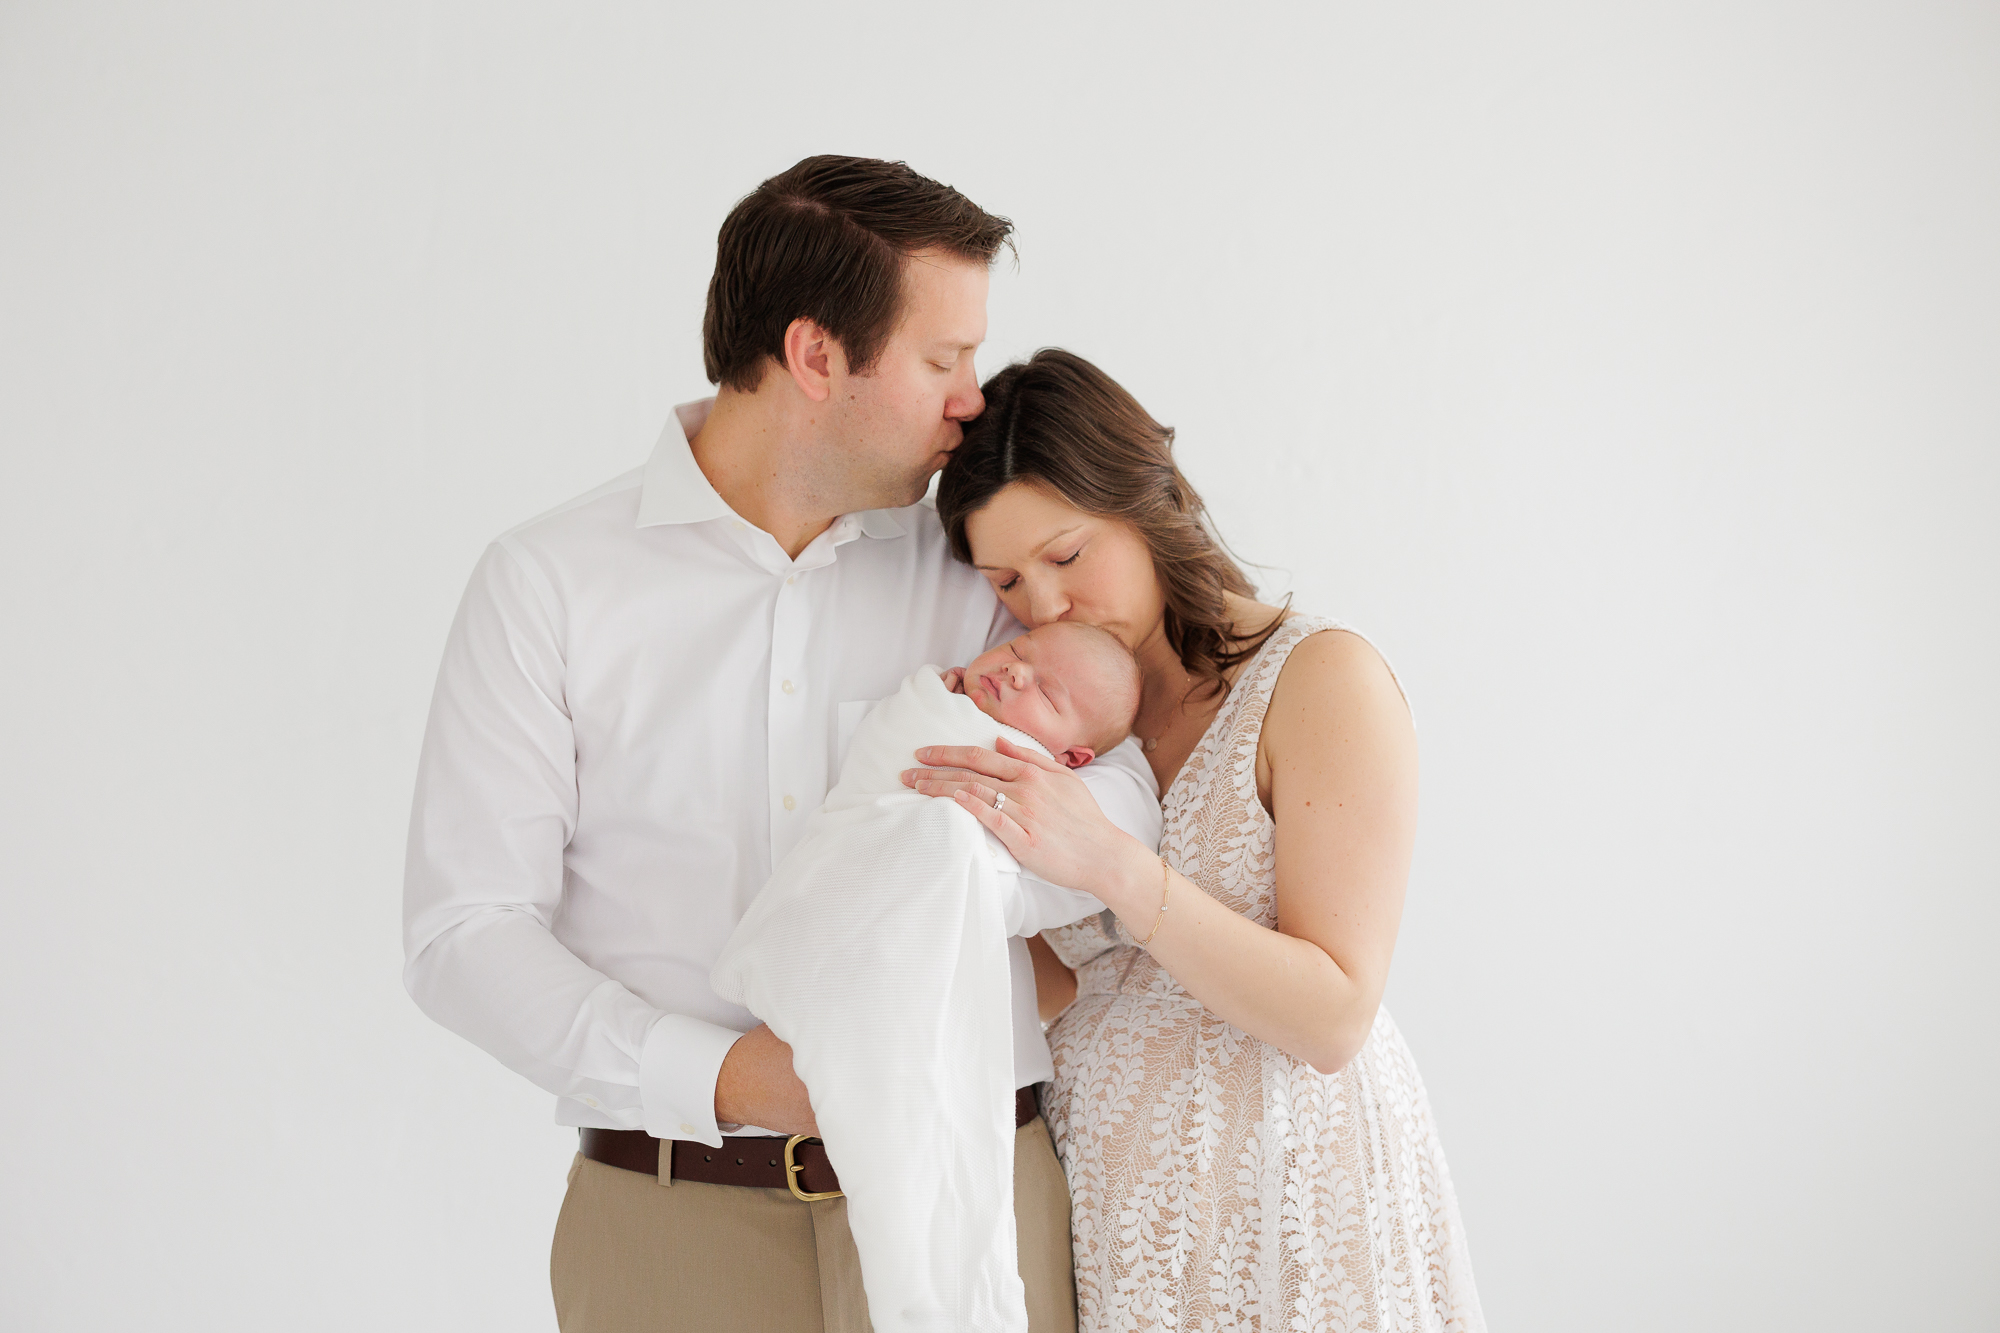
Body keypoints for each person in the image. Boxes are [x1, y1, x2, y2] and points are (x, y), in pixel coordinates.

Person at [402, 159, 1153, 1333]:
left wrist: (989, 947)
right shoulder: (546, 583)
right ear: (815, 357)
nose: (971, 398)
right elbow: (464, 932)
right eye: (941, 360)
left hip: (970, 1192)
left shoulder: (977, 566)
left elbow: (1118, 778)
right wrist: (728, 1077)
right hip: (670, 1227)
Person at [906, 348, 1487, 1331]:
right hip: (1117, 1236)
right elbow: (1052, 980)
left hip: (1293, 1223)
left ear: (1151, 499)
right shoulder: (1068, 727)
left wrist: (1112, 867)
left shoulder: (1317, 679)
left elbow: (1333, 1016)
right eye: (1006, 579)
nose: (1043, 607)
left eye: (1065, 556)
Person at [709, 627, 1147, 1332]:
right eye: (1018, 652)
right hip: (728, 1144)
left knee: (928, 1172)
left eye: (1046, 689)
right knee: (906, 1169)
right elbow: (889, 764)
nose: (1014, 673)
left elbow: (1111, 837)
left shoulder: (1045, 777)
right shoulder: (934, 703)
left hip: (955, 1052)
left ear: (1071, 757)